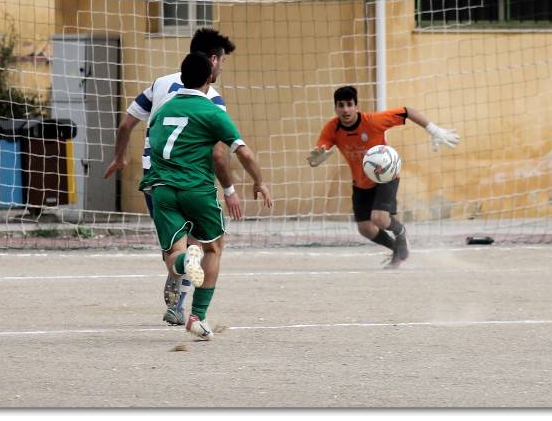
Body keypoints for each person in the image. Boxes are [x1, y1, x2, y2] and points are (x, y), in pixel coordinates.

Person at [103, 29, 239, 326]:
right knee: (199, 243)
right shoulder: (212, 98)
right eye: (222, 62)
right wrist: (229, 189)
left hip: (156, 180)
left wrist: (119, 157)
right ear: (213, 61)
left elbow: (127, 124)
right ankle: (182, 303)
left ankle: (176, 286)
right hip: (193, 181)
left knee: (175, 244)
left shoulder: (160, 84)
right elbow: (218, 154)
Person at [139, 52, 272, 340]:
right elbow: (240, 152)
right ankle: (197, 317)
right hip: (196, 190)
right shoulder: (212, 111)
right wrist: (259, 182)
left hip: (161, 189)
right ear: (209, 76)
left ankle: (185, 259)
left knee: (173, 254)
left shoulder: (161, 109)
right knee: (213, 248)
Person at [306, 85, 459, 268]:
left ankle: (401, 232)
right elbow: (317, 154)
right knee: (366, 229)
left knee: (379, 218)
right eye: (341, 105)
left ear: (356, 106)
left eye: (349, 104)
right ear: (335, 108)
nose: (345, 110)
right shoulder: (332, 128)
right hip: (360, 183)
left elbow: (407, 111)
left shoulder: (372, 121)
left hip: (385, 175)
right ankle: (398, 249)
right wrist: (316, 160)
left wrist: (434, 130)